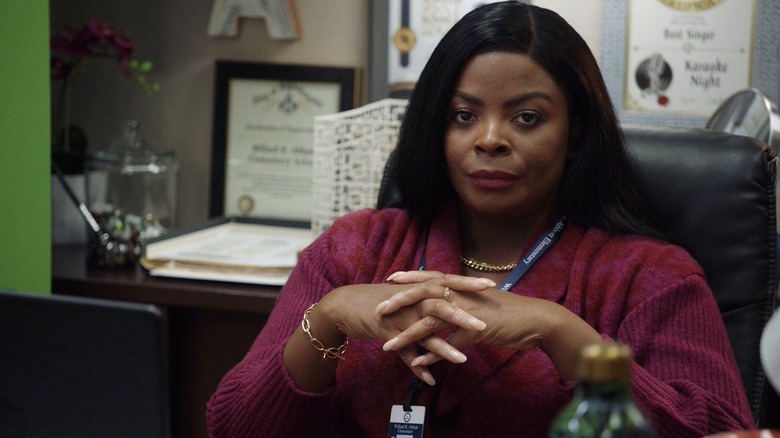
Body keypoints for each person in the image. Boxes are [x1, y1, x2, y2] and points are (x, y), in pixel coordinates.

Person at [206, 2, 754, 436]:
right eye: (463, 115)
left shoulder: (650, 276)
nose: (490, 139)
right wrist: (328, 316)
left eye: (526, 117)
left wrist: (559, 331)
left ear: (576, 131)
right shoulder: (354, 249)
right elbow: (234, 427)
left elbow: (724, 432)